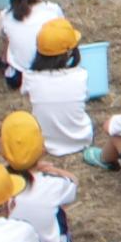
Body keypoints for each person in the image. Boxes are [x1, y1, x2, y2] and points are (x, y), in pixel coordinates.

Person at [0, 111, 78, 242]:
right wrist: (54, 170)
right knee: (58, 206)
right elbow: (74, 183)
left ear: (3, 150)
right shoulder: (52, 183)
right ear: (42, 148)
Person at [21, 17, 92, 156]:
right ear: (69, 52)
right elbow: (85, 97)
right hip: (81, 140)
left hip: (44, 143)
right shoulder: (81, 75)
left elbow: (26, 95)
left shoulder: (29, 77)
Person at [0, 0, 62, 91]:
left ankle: (6, 62)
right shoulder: (53, 10)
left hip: (18, 78)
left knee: (7, 39)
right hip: (49, 73)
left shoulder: (5, 15)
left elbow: (4, 37)